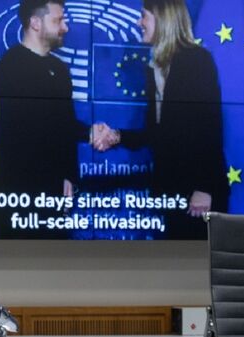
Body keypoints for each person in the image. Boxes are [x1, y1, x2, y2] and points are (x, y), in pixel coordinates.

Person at [96, 0, 229, 239]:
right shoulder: (156, 68)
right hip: (173, 188)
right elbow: (159, 132)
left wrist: (204, 187)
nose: (139, 22)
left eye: (144, 16)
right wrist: (117, 136)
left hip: (199, 193)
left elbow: (209, 128)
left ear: (163, 19)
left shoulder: (196, 61)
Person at [0, 0, 117, 239]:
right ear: (35, 23)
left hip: (54, 190)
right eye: (58, 21)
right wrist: (88, 133)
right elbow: (38, 123)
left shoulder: (60, 69)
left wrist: (68, 175)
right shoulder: (12, 65)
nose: (65, 27)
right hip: (18, 190)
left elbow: (64, 120)